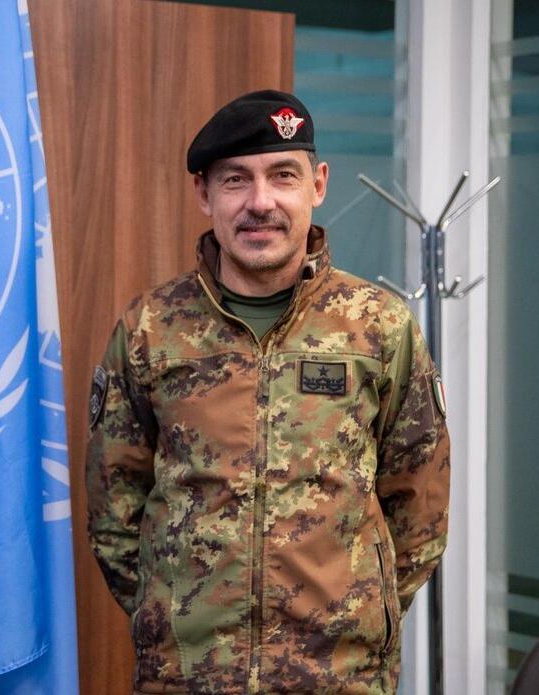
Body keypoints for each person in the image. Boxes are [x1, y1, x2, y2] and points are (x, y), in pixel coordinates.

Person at [85, 90, 450, 695]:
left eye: (283, 176)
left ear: (318, 185)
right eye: (236, 180)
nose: (261, 202)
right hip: (188, 678)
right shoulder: (150, 328)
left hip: (339, 679)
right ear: (204, 194)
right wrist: (180, 617)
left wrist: (359, 612)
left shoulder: (378, 326)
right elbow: (114, 507)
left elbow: (420, 502)